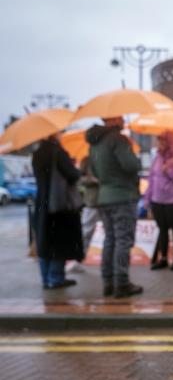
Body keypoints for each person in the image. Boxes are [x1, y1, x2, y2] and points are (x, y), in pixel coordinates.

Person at [87, 117, 143, 298]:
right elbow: (131, 165)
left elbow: (95, 172)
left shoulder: (95, 143)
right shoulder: (118, 139)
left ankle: (108, 282)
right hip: (123, 197)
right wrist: (133, 156)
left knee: (110, 240)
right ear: (112, 119)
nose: (123, 119)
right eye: (120, 116)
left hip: (104, 197)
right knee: (122, 241)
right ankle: (122, 283)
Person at [32, 133, 84, 289]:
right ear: (53, 135)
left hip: (42, 202)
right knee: (59, 243)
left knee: (44, 242)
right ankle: (56, 278)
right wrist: (75, 167)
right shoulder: (58, 153)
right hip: (59, 204)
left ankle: (46, 278)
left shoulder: (37, 154)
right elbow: (72, 175)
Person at [144, 131, 173, 271]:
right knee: (162, 230)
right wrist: (147, 198)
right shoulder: (157, 158)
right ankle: (163, 258)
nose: (160, 143)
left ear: (171, 142)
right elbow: (151, 179)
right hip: (157, 200)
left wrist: (169, 171)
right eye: (159, 140)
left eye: (164, 140)